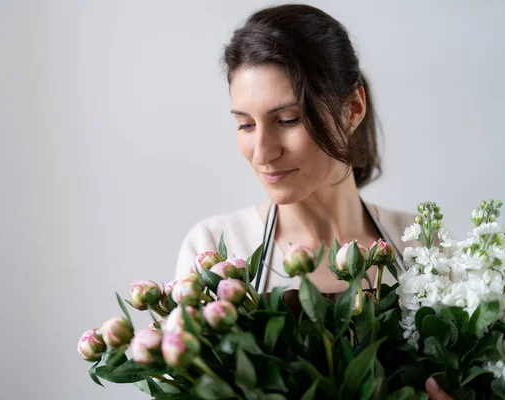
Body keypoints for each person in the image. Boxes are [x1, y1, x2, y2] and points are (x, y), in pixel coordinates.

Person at [175, 4, 451, 399]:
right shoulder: (214, 251)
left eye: (287, 120)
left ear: (352, 108)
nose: (262, 153)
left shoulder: (426, 247)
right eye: (245, 125)